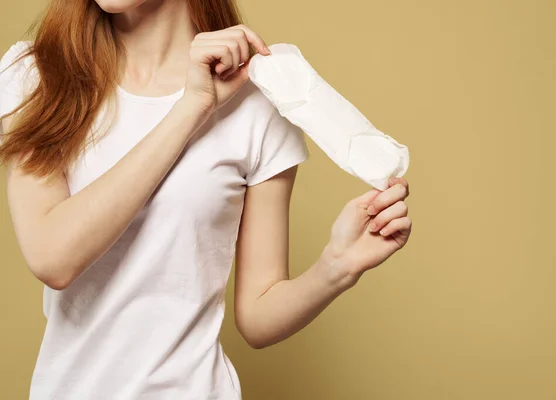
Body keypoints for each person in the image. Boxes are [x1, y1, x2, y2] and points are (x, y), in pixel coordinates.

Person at [0, 0, 412, 398]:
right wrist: (192, 107)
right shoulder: (37, 76)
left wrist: (336, 267)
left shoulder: (258, 103)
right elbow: (53, 257)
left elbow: (257, 316)